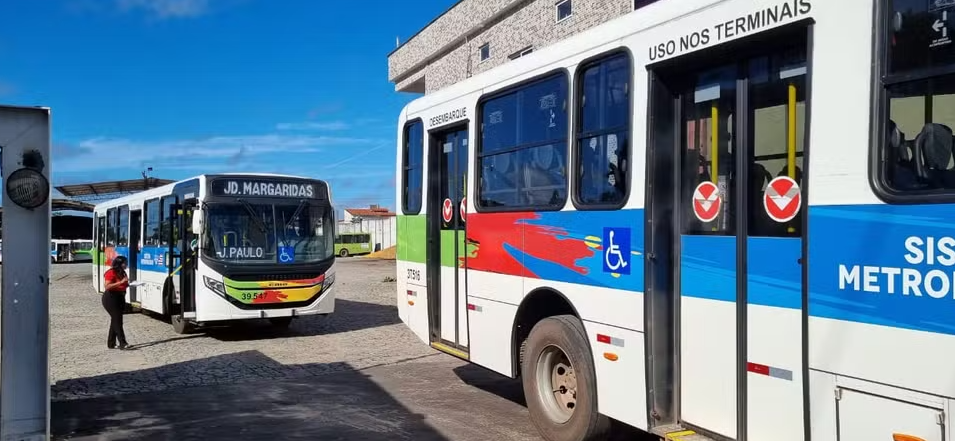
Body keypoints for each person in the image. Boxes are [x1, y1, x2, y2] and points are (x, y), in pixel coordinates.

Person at [102, 255, 131, 350]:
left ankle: (111, 343)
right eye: (124, 263)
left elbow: (124, 284)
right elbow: (107, 286)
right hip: (111, 298)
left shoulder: (123, 273)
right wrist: (121, 282)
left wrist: (128, 284)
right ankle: (123, 343)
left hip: (120, 297)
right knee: (118, 320)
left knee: (115, 320)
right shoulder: (111, 272)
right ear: (119, 264)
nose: (126, 264)